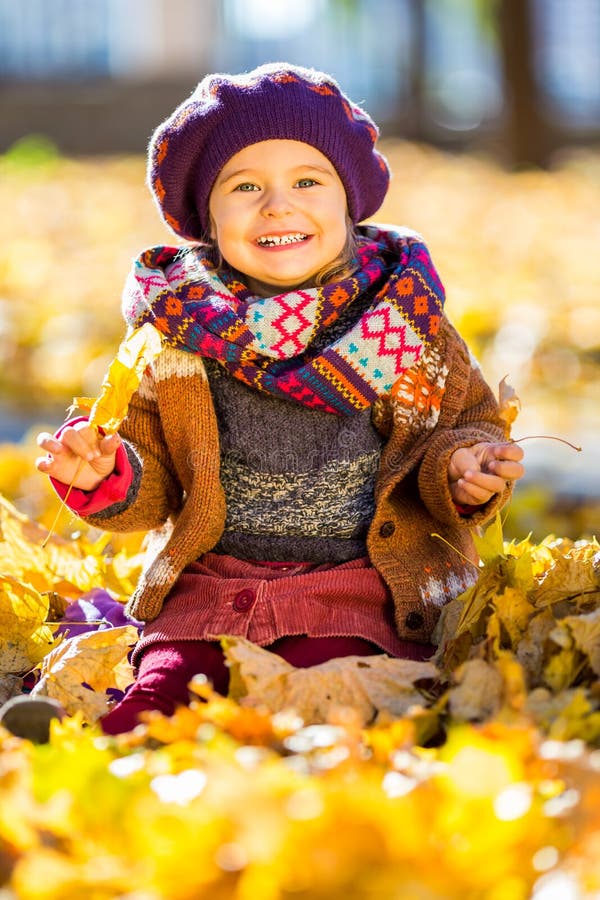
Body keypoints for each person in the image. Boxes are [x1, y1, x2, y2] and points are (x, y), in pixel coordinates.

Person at [9, 62, 525, 737]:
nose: (278, 205)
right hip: (211, 590)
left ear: (348, 200)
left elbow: (455, 428)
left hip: (358, 592)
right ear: (206, 217)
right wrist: (108, 475)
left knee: (336, 695)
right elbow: (154, 477)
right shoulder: (176, 332)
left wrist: (462, 468)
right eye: (245, 187)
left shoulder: (406, 325)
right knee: (162, 693)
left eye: (307, 182)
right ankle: (100, 752)